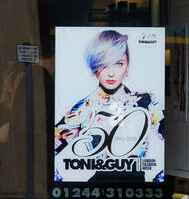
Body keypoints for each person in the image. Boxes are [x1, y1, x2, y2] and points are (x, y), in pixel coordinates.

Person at [53, 29, 163, 183]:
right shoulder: (85, 107)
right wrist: (60, 186)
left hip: (137, 190)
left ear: (127, 64)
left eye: (118, 63)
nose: (111, 73)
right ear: (95, 65)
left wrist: (160, 182)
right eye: (104, 65)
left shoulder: (145, 101)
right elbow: (47, 150)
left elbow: (173, 145)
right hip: (98, 191)